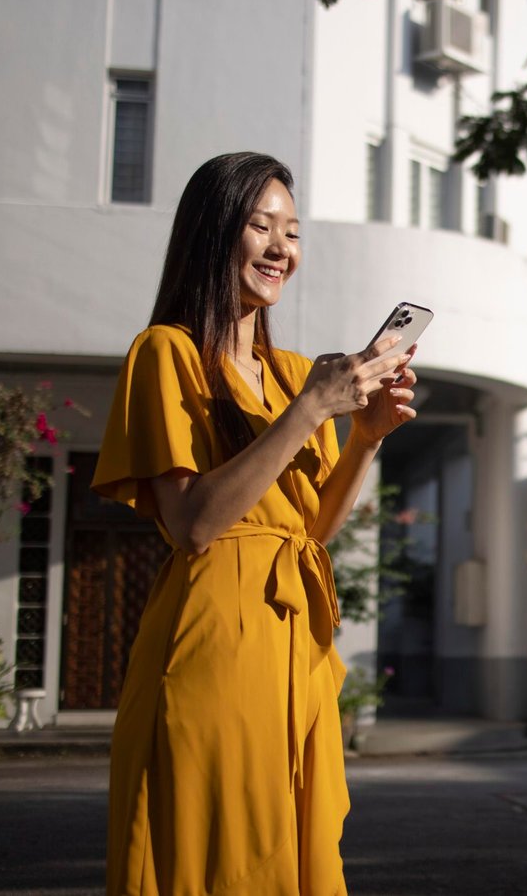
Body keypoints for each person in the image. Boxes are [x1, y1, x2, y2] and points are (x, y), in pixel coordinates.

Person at [92, 152, 417, 894]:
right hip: (210, 653)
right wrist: (311, 409)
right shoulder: (166, 354)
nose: (281, 248)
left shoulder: (297, 370)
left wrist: (364, 433)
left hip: (292, 651)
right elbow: (195, 523)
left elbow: (312, 531)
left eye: (293, 232)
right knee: (214, 861)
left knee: (287, 862)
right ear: (214, 234)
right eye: (261, 225)